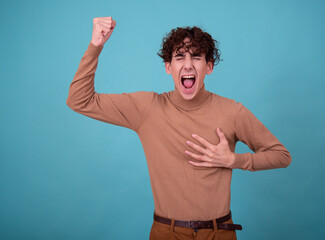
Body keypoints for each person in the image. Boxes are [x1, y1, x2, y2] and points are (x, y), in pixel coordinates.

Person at [66, 16, 291, 240]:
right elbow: (79, 100)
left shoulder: (232, 111)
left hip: (218, 232)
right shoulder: (147, 108)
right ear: (168, 67)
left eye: (196, 57)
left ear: (209, 66)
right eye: (179, 57)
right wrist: (96, 45)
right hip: (167, 232)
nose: (188, 64)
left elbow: (281, 156)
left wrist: (234, 160)